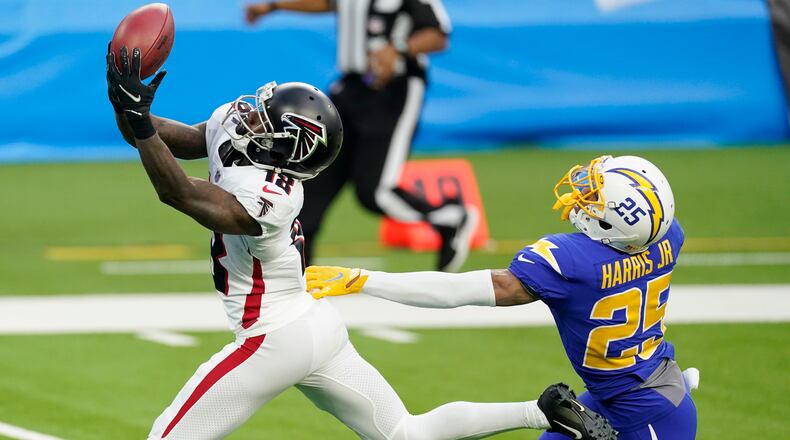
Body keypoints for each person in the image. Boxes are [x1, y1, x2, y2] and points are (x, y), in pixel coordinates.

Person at [105, 46, 617, 440]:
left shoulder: (276, 197)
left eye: (266, 120)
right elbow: (173, 140)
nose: (250, 118)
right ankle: (542, 410)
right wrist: (125, 102)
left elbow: (178, 192)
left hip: (271, 337)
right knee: (406, 433)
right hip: (313, 324)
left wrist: (138, 119)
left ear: (288, 147)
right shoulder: (243, 132)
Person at [307, 155, 699, 439]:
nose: (582, 195)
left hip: (644, 414)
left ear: (613, 223)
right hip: (627, 394)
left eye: (594, 197)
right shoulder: (667, 237)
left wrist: (365, 280)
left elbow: (456, 291)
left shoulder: (573, 261)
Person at [245, 0, 478, 272]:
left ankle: (449, 218)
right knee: (311, 183)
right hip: (350, 87)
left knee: (375, 192)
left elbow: (438, 35)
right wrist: (274, 6)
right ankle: (299, 276)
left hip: (393, 89)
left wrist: (398, 49)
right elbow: (328, 2)